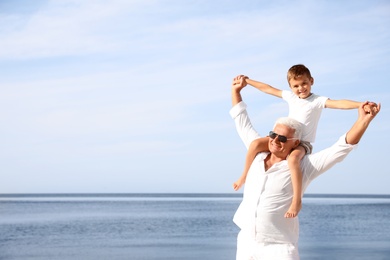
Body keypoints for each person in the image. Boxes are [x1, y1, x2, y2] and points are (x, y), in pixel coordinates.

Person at [230, 76, 380, 260]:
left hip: (280, 249)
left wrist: (363, 121)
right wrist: (236, 91)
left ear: (296, 143)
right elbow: (241, 121)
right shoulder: (256, 156)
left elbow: (341, 148)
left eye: (283, 138)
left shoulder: (304, 166)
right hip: (246, 242)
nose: (275, 140)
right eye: (273, 135)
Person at [233, 64, 367, 219]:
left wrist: (359, 105)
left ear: (311, 81)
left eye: (304, 83)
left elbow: (338, 103)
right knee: (255, 144)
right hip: (285, 139)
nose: (301, 88)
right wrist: (248, 81)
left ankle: (296, 200)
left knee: (293, 160)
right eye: (295, 86)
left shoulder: (317, 100)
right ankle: (244, 175)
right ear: (290, 87)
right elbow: (268, 88)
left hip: (302, 144)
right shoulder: (291, 97)